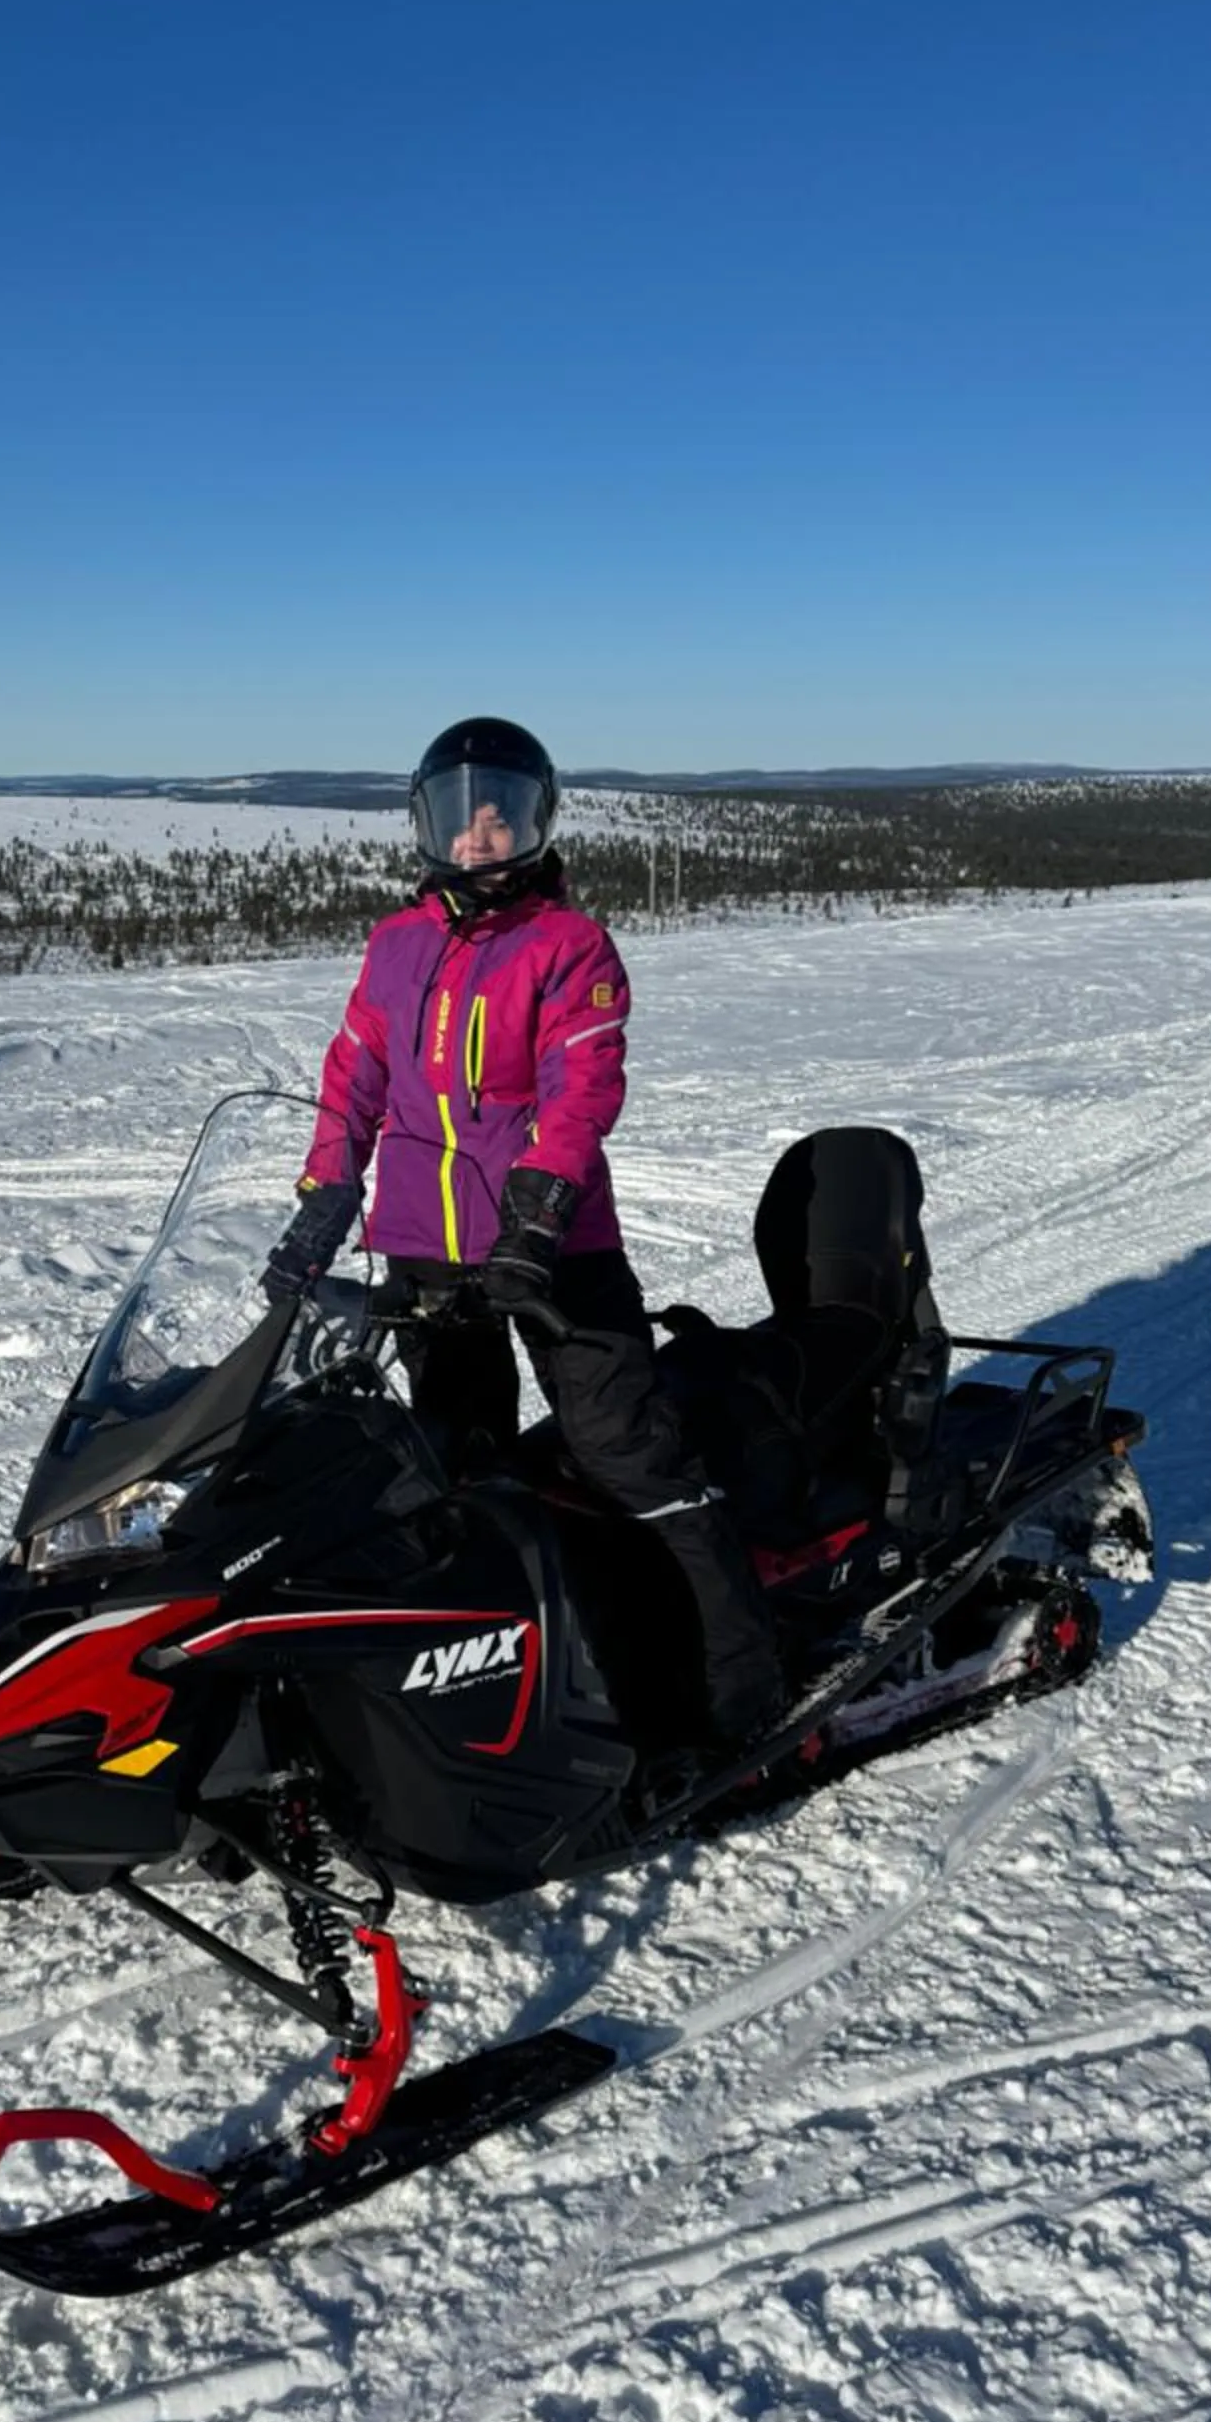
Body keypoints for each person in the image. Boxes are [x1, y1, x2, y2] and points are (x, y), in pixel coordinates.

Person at [265, 716, 784, 1751]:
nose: (481, 830)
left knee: (629, 1456)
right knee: (458, 1468)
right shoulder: (395, 943)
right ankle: (497, 1695)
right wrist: (327, 1196)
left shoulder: (569, 945)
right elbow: (356, 1077)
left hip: (552, 1248)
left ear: (536, 820)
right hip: (424, 1250)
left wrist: (537, 1214)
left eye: (502, 809)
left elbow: (580, 1088)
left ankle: (742, 1678)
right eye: (463, 811)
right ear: (431, 824)